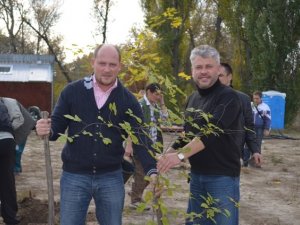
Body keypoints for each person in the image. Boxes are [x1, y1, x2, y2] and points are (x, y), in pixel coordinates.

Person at [35, 44, 158, 225]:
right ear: (93, 63)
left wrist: (152, 169)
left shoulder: (128, 100)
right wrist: (46, 129)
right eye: (102, 63)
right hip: (74, 177)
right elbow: (57, 128)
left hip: (111, 177)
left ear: (119, 66)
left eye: (112, 64)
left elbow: (141, 138)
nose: (107, 69)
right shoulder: (72, 91)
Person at [157, 45, 243, 225]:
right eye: (199, 67)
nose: (203, 71)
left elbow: (209, 133)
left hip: (222, 177)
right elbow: (188, 134)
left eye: (208, 66)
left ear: (218, 69)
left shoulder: (229, 97)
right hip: (197, 176)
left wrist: (179, 156)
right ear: (192, 71)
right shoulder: (192, 98)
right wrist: (167, 154)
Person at [125, 83, 168, 210]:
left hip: (153, 145)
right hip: (140, 144)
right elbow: (130, 125)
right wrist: (129, 144)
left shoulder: (155, 106)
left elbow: (165, 119)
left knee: (152, 172)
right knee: (141, 171)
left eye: (160, 95)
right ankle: (135, 200)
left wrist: (162, 102)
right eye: (156, 94)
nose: (158, 97)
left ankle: (135, 192)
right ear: (148, 92)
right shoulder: (140, 105)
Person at [219, 63, 262, 167]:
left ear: (229, 77)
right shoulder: (206, 98)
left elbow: (249, 127)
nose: (216, 79)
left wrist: (255, 150)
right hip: (209, 156)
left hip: (233, 155)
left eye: (220, 75)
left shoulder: (243, 99)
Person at [0, 99, 20, 225]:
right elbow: (21, 120)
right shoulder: (9, 101)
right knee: (7, 180)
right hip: (7, 140)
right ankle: (10, 218)